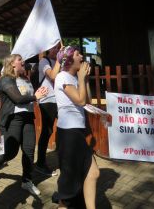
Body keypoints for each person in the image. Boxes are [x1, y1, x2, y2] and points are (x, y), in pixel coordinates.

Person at [0, 54, 48, 196]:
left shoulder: (25, 79)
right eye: (20, 60)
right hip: (12, 119)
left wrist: (38, 95)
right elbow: (17, 98)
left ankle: (27, 181)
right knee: (10, 152)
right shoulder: (5, 80)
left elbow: (30, 97)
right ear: (12, 64)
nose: (23, 62)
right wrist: (35, 97)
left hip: (28, 118)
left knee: (29, 151)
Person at [53, 46, 99, 209]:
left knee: (93, 173)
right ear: (70, 60)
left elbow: (87, 101)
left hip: (77, 132)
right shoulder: (62, 77)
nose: (82, 57)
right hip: (68, 134)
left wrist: (85, 79)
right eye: (78, 54)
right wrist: (80, 78)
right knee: (68, 185)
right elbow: (79, 101)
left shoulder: (74, 77)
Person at [36, 42, 62, 176]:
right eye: (54, 47)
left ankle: (65, 159)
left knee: (64, 127)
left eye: (58, 47)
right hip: (47, 100)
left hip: (59, 100)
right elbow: (52, 75)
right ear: (48, 48)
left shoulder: (60, 63)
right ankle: (40, 163)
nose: (57, 49)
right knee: (47, 131)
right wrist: (59, 60)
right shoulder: (43, 61)